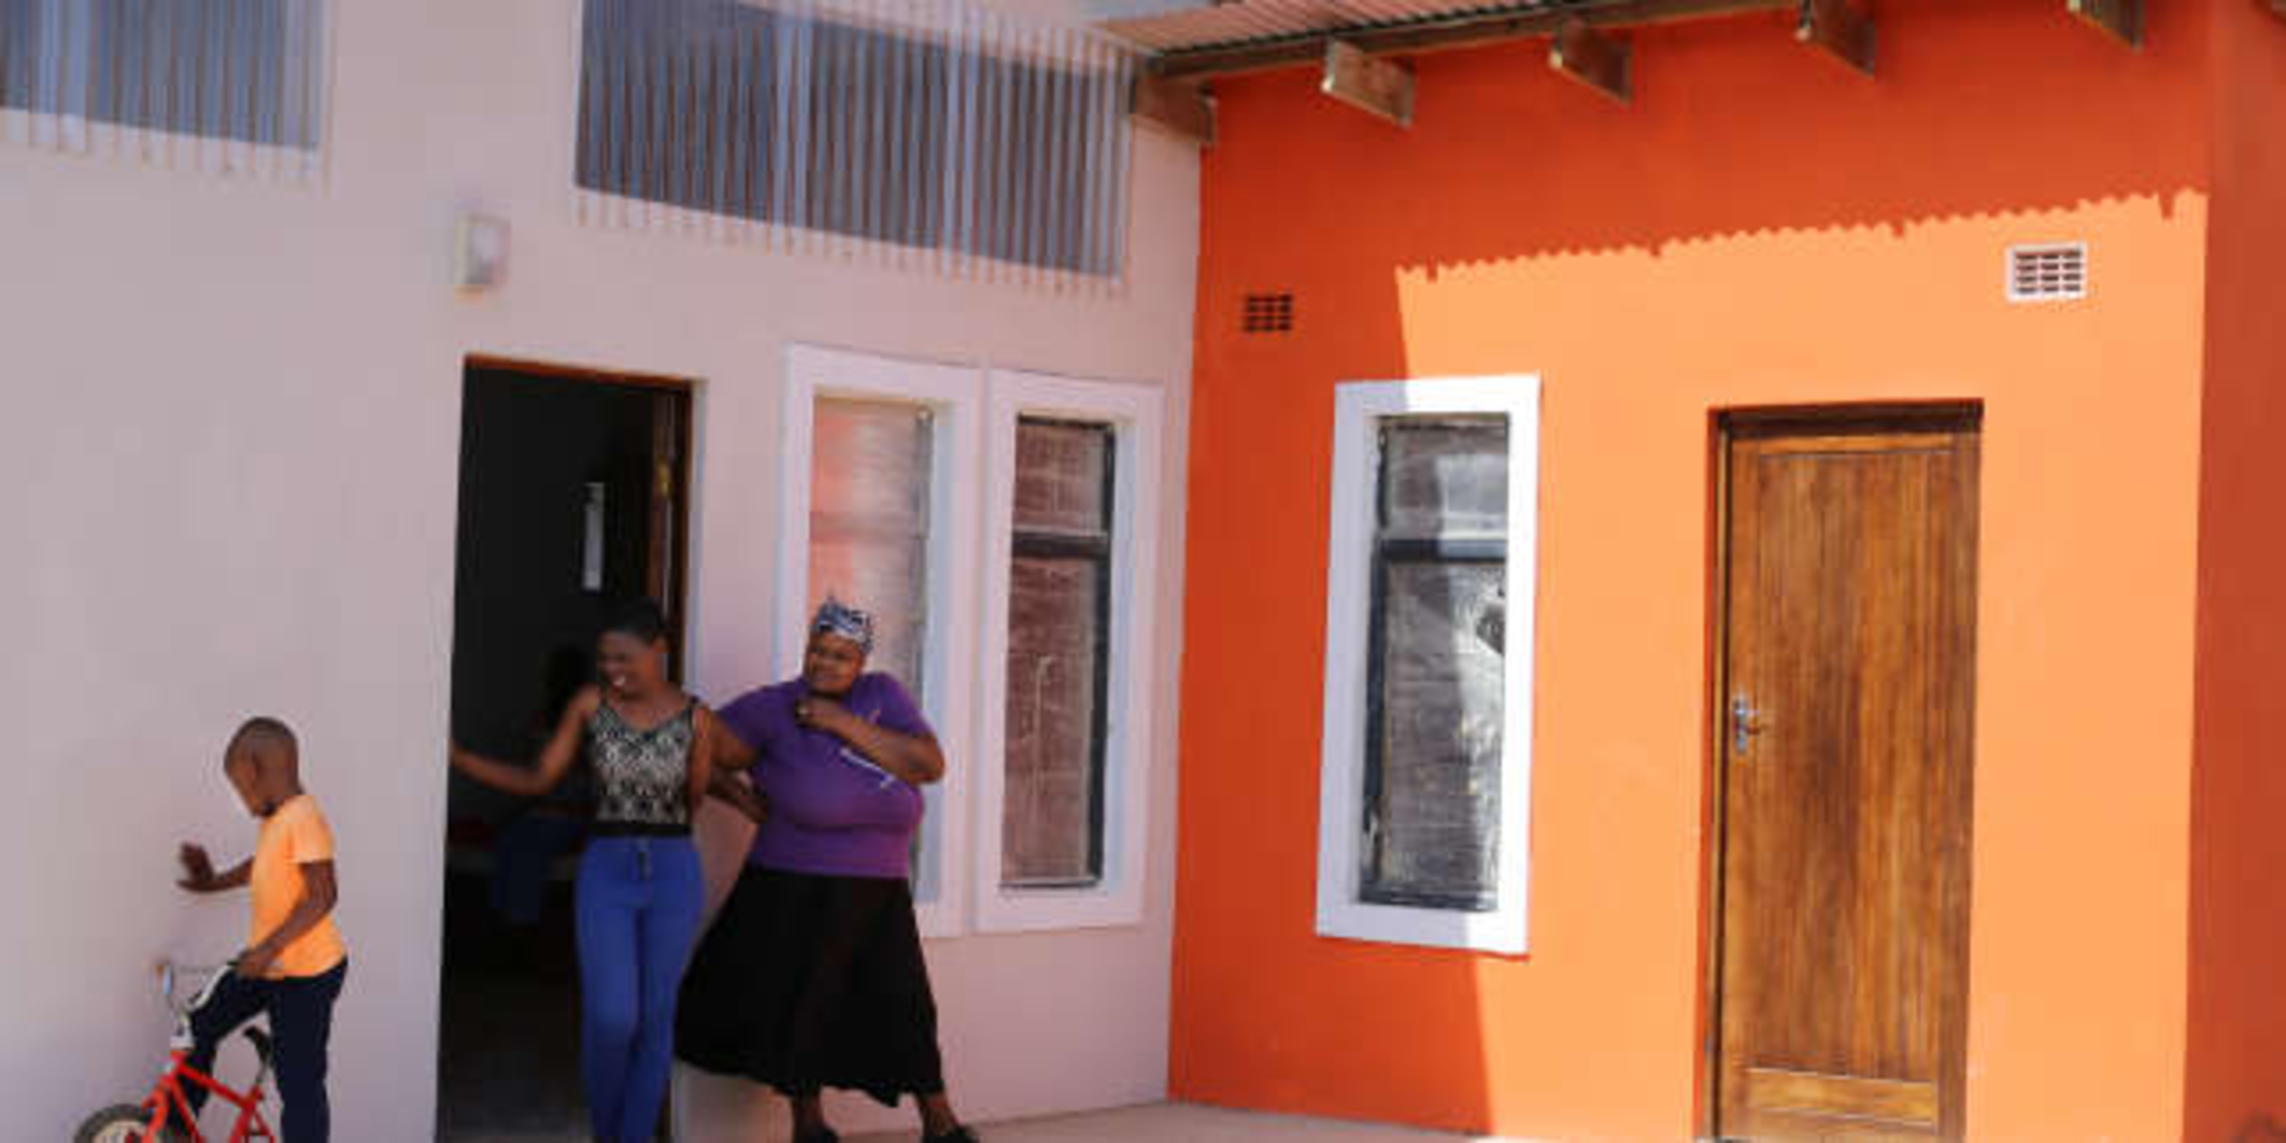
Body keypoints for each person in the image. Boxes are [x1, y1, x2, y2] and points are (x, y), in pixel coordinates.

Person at [677, 599, 977, 1143]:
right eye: (818, 649)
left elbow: (928, 765)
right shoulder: (773, 705)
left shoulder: (884, 696)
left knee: (904, 1004)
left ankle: (941, 1124)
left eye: (841, 656)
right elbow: (697, 742)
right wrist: (742, 800)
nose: (825, 663)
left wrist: (839, 722)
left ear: (861, 662)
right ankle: (809, 1127)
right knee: (806, 1005)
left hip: (879, 889)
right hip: (795, 884)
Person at [450, 600, 717, 1143]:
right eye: (605, 659)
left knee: (656, 1016)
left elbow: (696, 797)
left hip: (673, 872)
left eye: (625, 658)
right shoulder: (589, 705)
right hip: (607, 870)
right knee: (612, 1016)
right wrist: (458, 757)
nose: (612, 669)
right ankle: (606, 1130)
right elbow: (537, 779)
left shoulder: (697, 717)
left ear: (659, 650)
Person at [175, 716, 350, 1143]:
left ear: (258, 771)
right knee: (198, 1022)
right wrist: (209, 881)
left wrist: (268, 949)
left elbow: (323, 895)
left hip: (306, 977)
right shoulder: (278, 819)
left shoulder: (304, 816)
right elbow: (260, 867)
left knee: (299, 1083)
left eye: (240, 788)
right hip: (269, 966)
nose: (241, 799)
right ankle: (176, 1128)